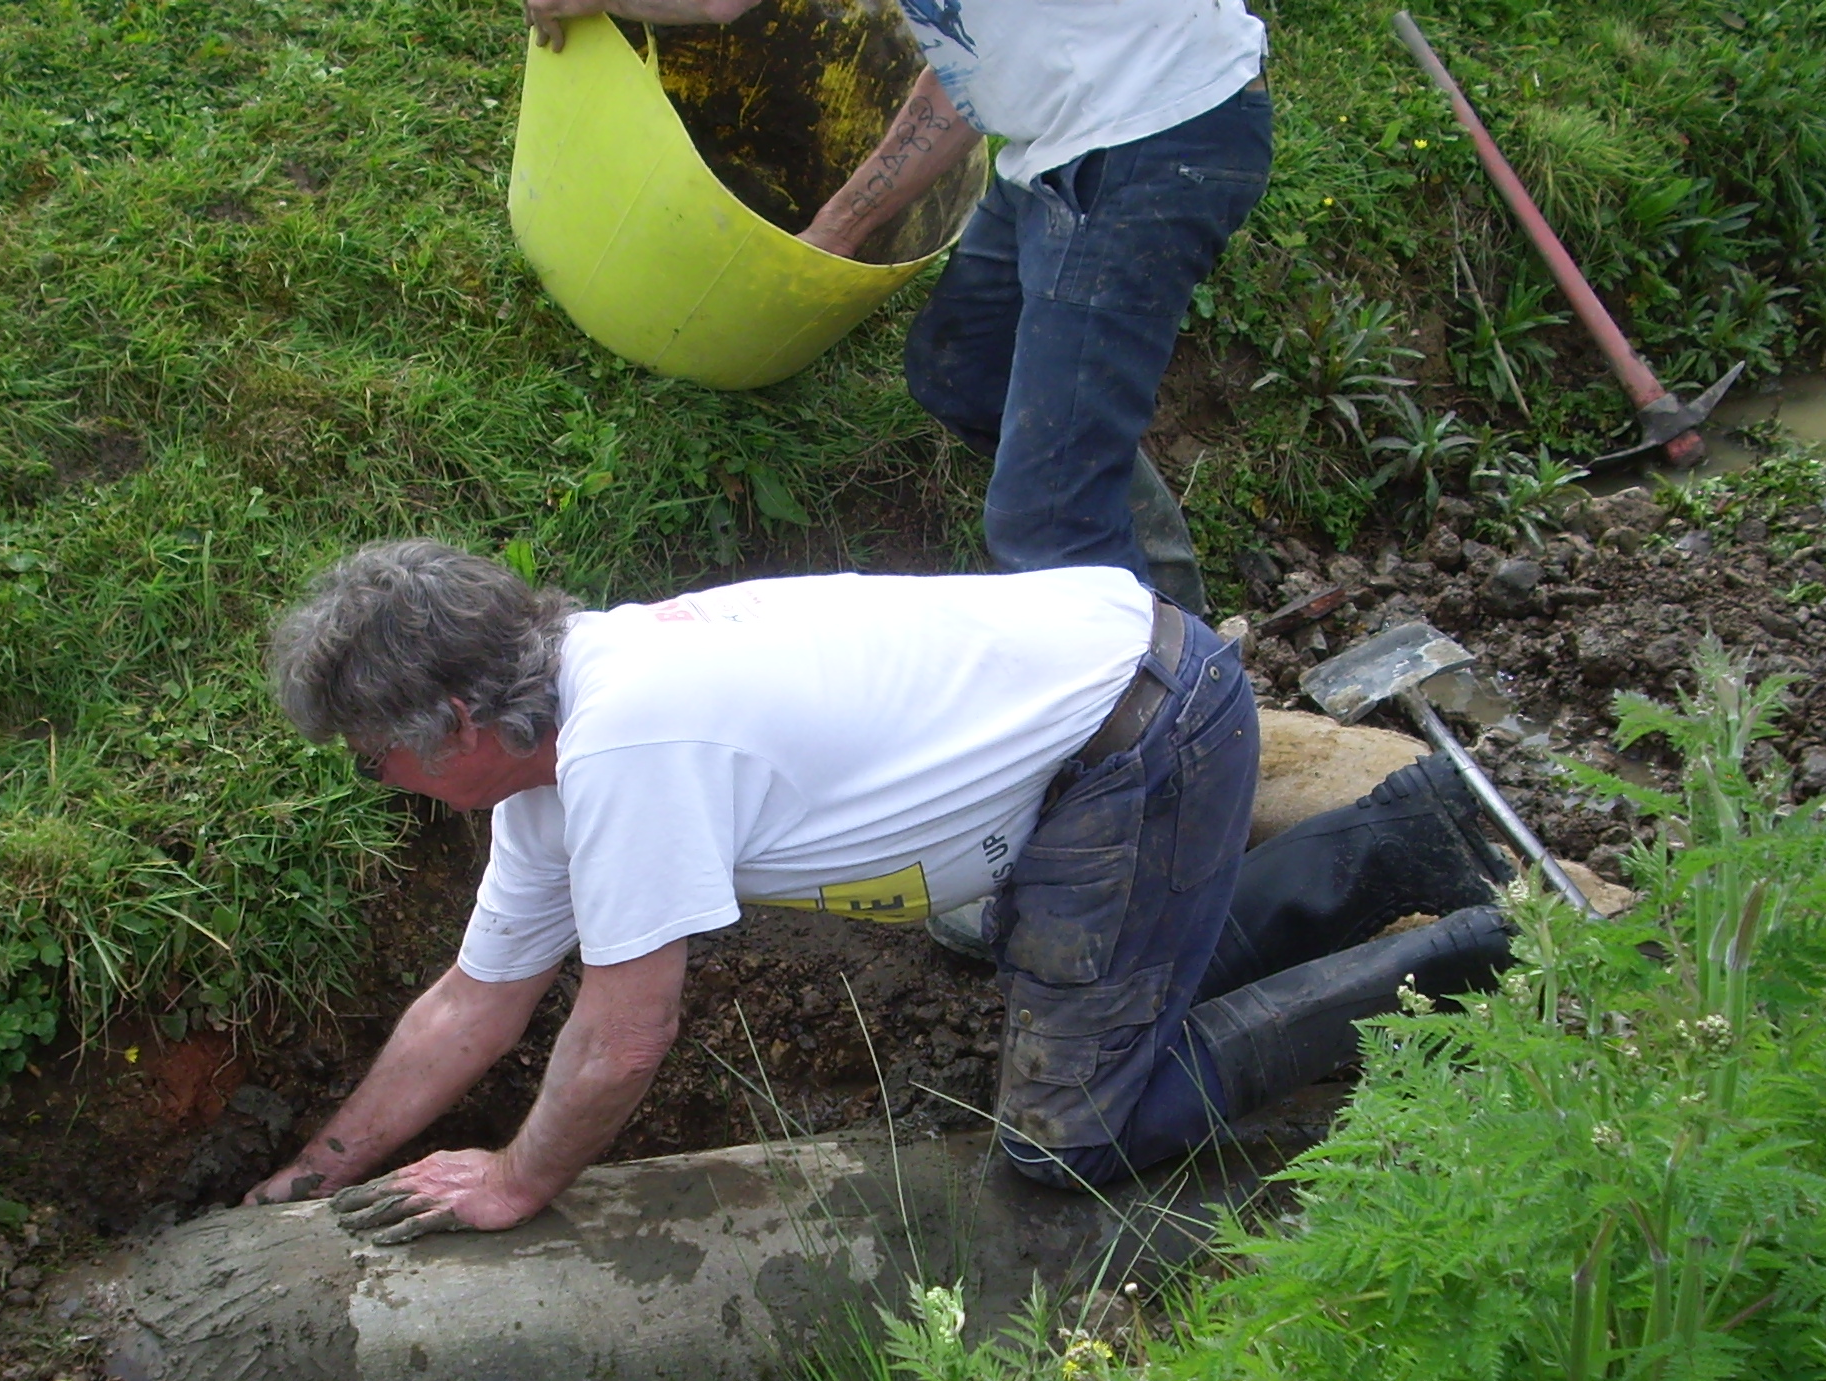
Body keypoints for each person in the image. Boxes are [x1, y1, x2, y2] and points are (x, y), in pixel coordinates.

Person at [243, 540, 1515, 1241]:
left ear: (459, 722)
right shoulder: (552, 766)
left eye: (374, 754)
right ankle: (1409, 837)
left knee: (1073, 1138)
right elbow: (473, 1001)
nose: (377, 777)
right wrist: (309, 1177)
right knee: (1077, 976)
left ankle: (1469, 949)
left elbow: (625, 1036)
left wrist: (520, 1179)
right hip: (1101, 730)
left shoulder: (629, 740)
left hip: (1137, 740)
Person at [522, 0, 1272, 616]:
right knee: (963, 370)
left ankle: (1176, 697)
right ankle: (1148, 566)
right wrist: (838, 228)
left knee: (1044, 525)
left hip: (1156, 140)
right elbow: (965, 71)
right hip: (1075, 129)